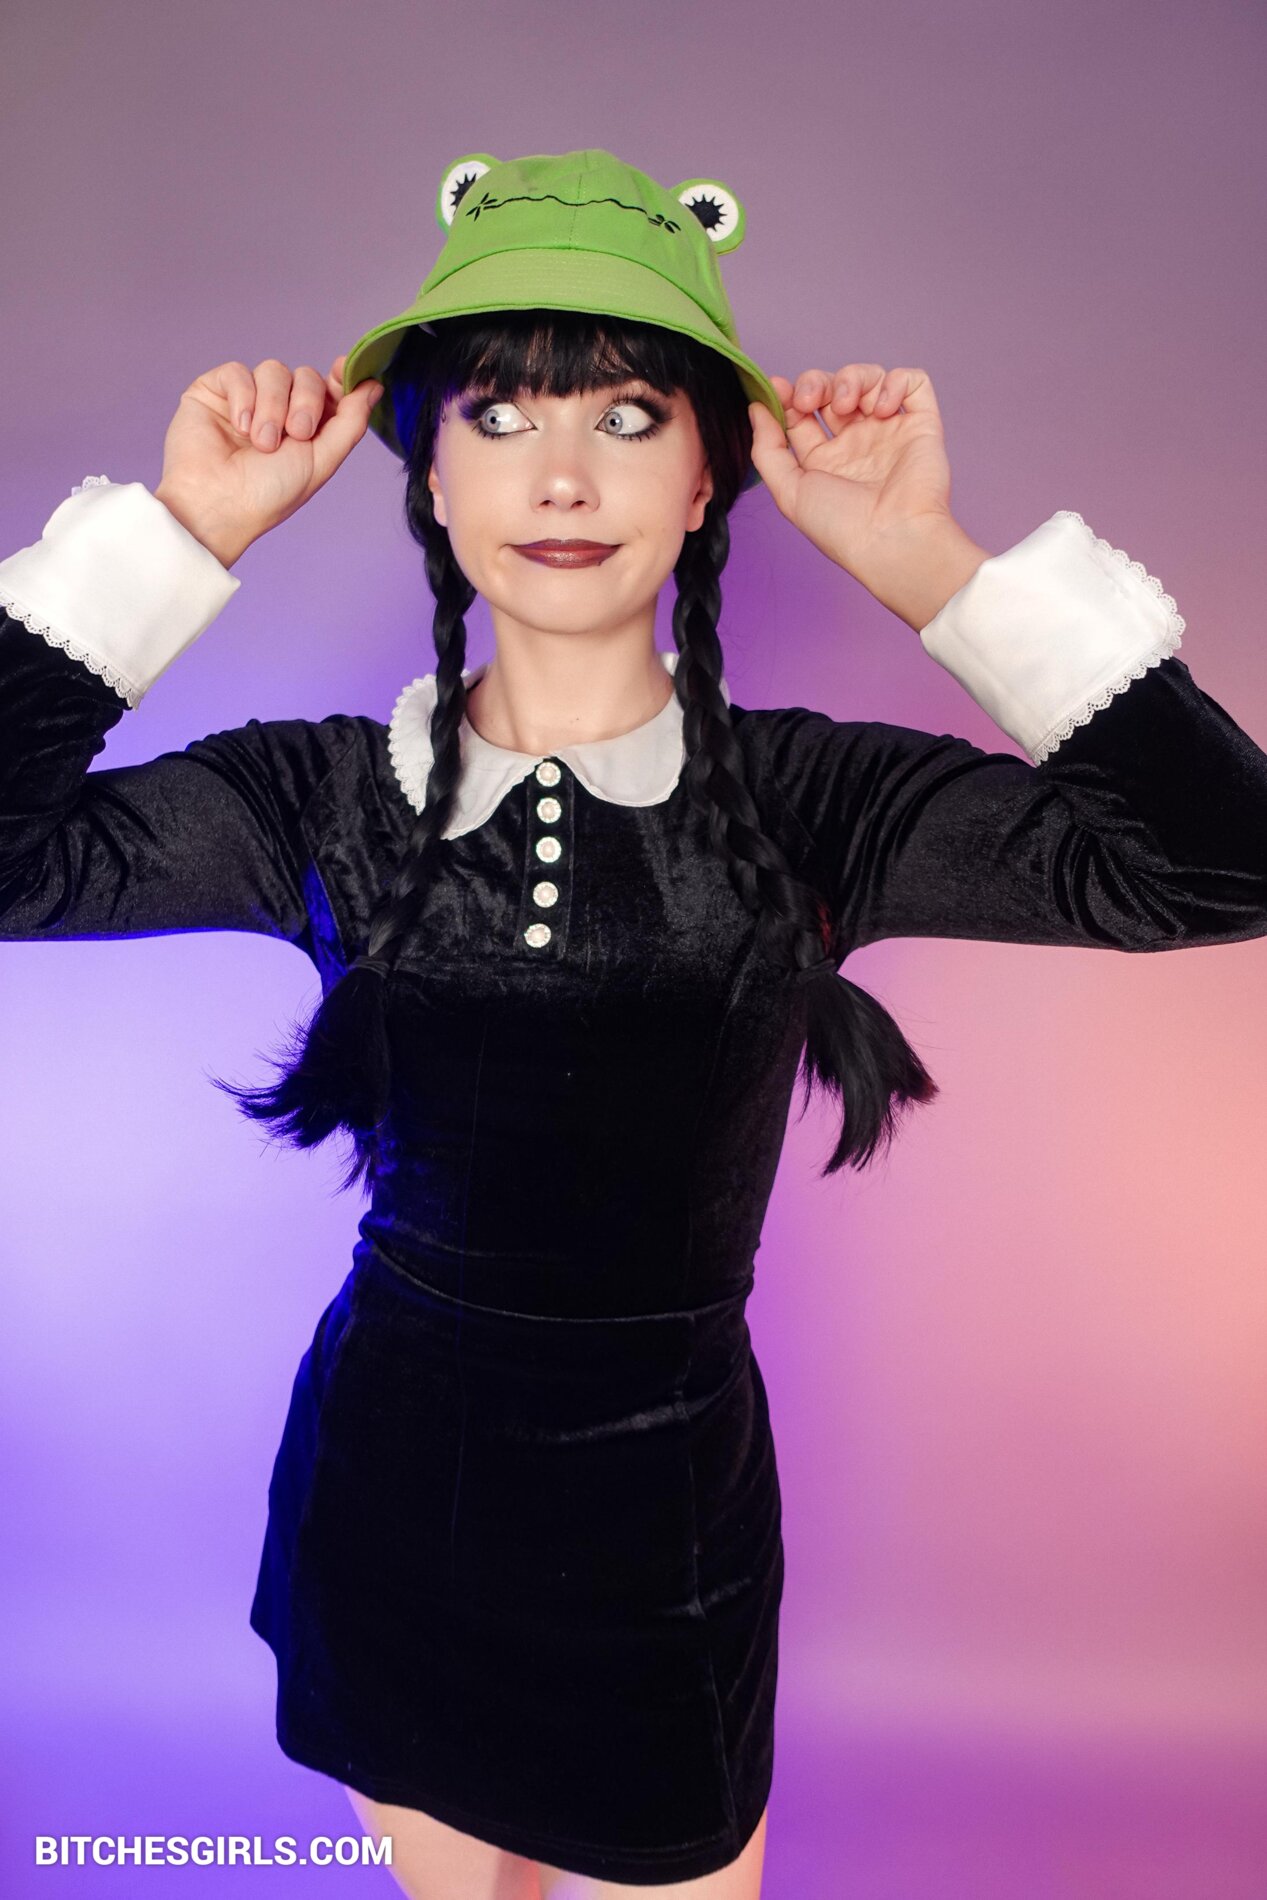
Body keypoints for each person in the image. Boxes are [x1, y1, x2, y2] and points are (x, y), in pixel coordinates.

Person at [2, 147, 1266, 1900]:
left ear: (704, 473)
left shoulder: (812, 801)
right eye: (500, 416)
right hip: (390, 1502)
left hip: (664, 1544)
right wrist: (176, 535)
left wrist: (929, 563)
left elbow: (1221, 869)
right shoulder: (322, 796)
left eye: (627, 415)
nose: (563, 475)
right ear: (428, 472)